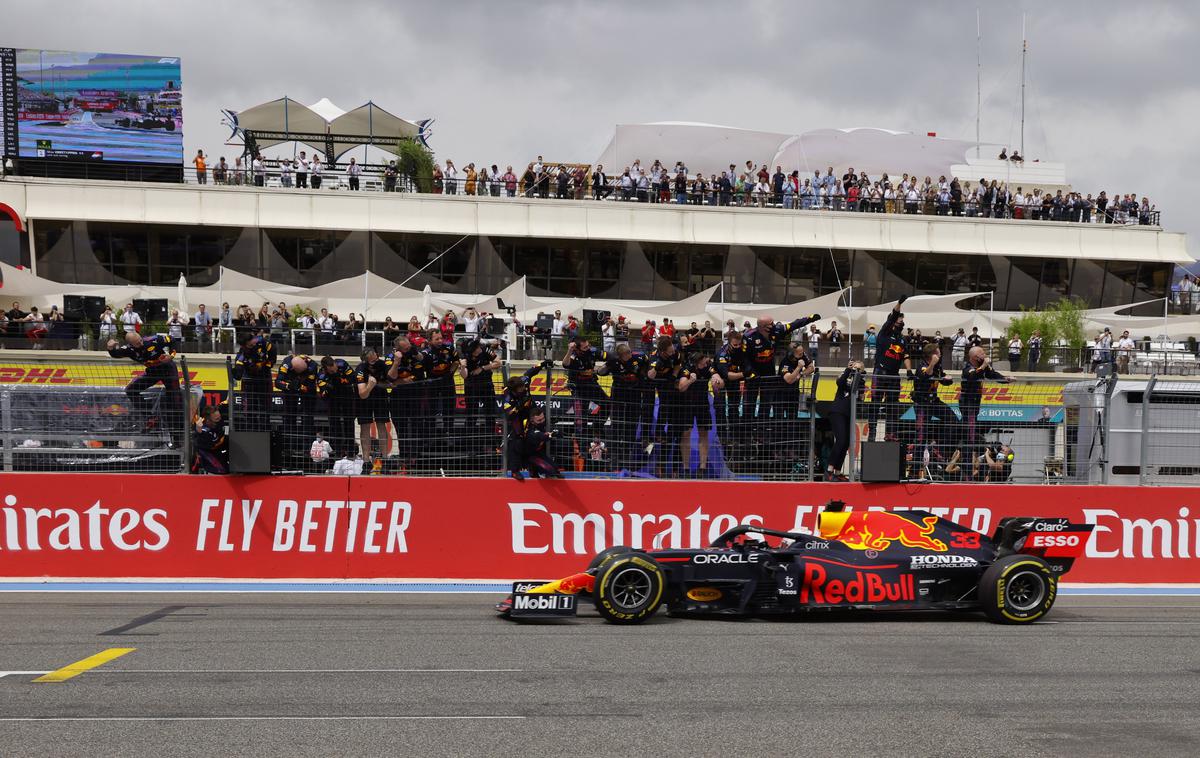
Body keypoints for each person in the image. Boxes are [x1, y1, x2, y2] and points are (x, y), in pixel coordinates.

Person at [107, 330, 182, 443]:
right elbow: (115, 354)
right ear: (131, 344)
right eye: (137, 343)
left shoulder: (153, 340)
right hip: (152, 372)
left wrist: (171, 356)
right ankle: (151, 417)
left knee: (174, 402)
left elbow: (172, 340)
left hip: (168, 370)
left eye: (140, 340)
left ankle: (177, 437)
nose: (141, 343)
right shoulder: (128, 350)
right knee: (130, 390)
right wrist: (110, 348)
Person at [597, 343, 649, 473]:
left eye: (630, 352)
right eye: (627, 354)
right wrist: (608, 365)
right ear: (620, 356)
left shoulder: (640, 358)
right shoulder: (614, 362)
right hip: (618, 396)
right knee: (616, 426)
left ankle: (627, 461)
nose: (630, 355)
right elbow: (600, 372)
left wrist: (641, 375)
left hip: (635, 396)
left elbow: (647, 366)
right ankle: (614, 462)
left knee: (631, 427)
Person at [502, 361, 552, 480]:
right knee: (518, 441)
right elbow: (509, 415)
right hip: (517, 416)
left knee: (538, 438)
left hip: (531, 411)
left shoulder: (524, 380)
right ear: (514, 391)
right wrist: (518, 406)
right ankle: (515, 471)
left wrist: (543, 363)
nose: (524, 389)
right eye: (520, 389)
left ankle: (534, 469)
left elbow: (532, 370)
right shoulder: (508, 396)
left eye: (524, 386)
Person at [870, 297, 910, 440]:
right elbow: (893, 315)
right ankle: (872, 435)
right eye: (899, 320)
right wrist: (899, 303)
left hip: (894, 375)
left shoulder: (902, 339)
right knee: (875, 404)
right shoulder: (885, 332)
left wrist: (909, 370)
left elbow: (905, 355)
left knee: (893, 405)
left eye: (902, 321)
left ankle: (891, 434)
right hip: (880, 372)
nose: (901, 322)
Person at [674, 351, 720, 477]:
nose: (706, 364)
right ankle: (686, 467)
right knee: (686, 433)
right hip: (687, 404)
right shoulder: (687, 369)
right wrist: (690, 381)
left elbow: (719, 381)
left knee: (703, 433)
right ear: (697, 363)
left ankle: (703, 466)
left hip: (703, 404)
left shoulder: (708, 367)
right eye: (703, 362)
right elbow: (681, 387)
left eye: (706, 361)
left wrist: (717, 382)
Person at [384, 335, 424, 471]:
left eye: (408, 345)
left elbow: (419, 372)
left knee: (416, 426)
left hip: (415, 394)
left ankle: (415, 457)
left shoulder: (413, 351)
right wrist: (397, 362)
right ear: (398, 348)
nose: (408, 348)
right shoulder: (391, 356)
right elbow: (390, 378)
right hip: (398, 397)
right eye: (405, 347)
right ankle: (404, 456)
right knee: (401, 428)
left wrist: (415, 353)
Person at [911, 342, 956, 455]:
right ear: (933, 355)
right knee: (921, 434)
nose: (940, 354)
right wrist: (932, 364)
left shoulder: (937, 367)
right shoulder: (921, 366)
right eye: (938, 352)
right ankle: (915, 466)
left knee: (952, 419)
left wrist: (947, 379)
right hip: (922, 404)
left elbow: (942, 379)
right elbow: (925, 375)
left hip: (934, 402)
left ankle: (938, 446)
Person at [960, 346, 1008, 451]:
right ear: (975, 357)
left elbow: (992, 374)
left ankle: (970, 446)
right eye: (982, 354)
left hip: (976, 401)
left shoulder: (983, 366)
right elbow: (972, 376)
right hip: (967, 402)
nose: (985, 356)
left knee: (972, 425)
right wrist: (984, 365)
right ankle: (967, 448)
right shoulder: (967, 368)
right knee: (969, 425)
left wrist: (1006, 379)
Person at [355, 347, 394, 475]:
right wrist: (370, 386)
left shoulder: (383, 364)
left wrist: (377, 384)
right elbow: (362, 394)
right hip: (365, 400)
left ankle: (385, 460)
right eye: (371, 360)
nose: (374, 360)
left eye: (375, 357)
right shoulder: (360, 368)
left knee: (382, 427)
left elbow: (391, 383)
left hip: (381, 398)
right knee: (365, 428)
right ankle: (366, 462)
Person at [713, 330, 750, 464]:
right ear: (729, 342)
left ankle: (735, 437)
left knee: (734, 408)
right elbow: (726, 374)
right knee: (720, 408)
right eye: (735, 345)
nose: (737, 347)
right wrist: (744, 374)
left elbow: (748, 364)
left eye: (739, 344)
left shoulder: (741, 350)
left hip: (734, 382)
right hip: (720, 381)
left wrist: (747, 371)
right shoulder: (722, 354)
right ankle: (721, 437)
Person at [421, 329, 465, 440]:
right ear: (430, 340)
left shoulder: (449, 348)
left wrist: (450, 372)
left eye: (441, 338)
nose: (440, 341)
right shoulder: (425, 353)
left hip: (448, 381)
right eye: (437, 339)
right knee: (431, 409)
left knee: (449, 408)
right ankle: (430, 434)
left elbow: (456, 362)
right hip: (432, 383)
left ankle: (448, 432)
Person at [825, 361, 865, 481]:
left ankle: (837, 471)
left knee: (846, 442)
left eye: (858, 369)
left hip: (849, 414)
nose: (855, 370)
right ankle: (829, 470)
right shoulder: (845, 375)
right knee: (841, 440)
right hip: (838, 411)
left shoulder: (861, 381)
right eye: (854, 368)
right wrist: (848, 370)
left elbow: (860, 396)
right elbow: (840, 382)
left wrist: (858, 376)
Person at [275, 354, 319, 462]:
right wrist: (288, 386)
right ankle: (288, 447)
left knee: (307, 419)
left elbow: (311, 385)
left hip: (307, 394)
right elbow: (277, 382)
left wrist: (301, 386)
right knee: (289, 419)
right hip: (290, 393)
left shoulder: (312, 365)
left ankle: (307, 449)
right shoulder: (286, 363)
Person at [231, 330, 277, 432]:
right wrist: (237, 373)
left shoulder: (263, 343)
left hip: (264, 379)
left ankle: (265, 430)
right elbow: (239, 364)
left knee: (265, 408)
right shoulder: (243, 352)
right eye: (248, 345)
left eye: (252, 341)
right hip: (249, 381)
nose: (252, 344)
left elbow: (273, 354)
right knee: (250, 408)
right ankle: (251, 430)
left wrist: (264, 366)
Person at [562, 336, 607, 440]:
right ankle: (581, 443)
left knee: (607, 403)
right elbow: (565, 364)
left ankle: (597, 427)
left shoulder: (592, 352)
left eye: (588, 346)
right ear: (578, 349)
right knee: (581, 418)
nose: (588, 348)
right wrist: (569, 350)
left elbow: (609, 356)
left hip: (592, 385)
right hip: (578, 389)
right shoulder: (573, 355)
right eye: (585, 347)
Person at [462, 337, 502, 452]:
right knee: (471, 416)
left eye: (479, 346)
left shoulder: (485, 350)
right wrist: (463, 366)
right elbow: (463, 375)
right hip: (471, 387)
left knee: (490, 414)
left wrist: (483, 368)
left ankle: (491, 442)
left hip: (487, 385)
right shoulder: (465, 356)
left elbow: (498, 362)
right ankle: (470, 445)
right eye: (476, 347)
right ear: (472, 351)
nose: (479, 348)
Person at [317, 355, 357, 460]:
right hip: (332, 400)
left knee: (349, 423)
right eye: (331, 371)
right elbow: (323, 393)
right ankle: (338, 452)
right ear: (326, 369)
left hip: (347, 396)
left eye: (335, 368)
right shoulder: (321, 375)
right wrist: (331, 385)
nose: (334, 370)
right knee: (335, 425)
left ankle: (351, 452)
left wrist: (339, 380)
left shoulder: (342, 364)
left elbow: (353, 377)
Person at [522, 407, 563, 479]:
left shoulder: (544, 422)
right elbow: (541, 436)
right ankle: (532, 468)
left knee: (556, 471)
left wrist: (555, 432)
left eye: (543, 418)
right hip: (529, 455)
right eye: (539, 420)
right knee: (550, 470)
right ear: (532, 421)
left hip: (540, 453)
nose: (542, 421)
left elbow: (557, 431)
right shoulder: (530, 430)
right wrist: (551, 434)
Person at [193, 405, 228, 474]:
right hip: (208, 452)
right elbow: (201, 434)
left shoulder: (219, 418)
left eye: (220, 417)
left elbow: (224, 404)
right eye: (217, 419)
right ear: (208, 420)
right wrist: (199, 430)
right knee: (223, 470)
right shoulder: (204, 430)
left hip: (219, 448)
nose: (219, 420)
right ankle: (198, 462)